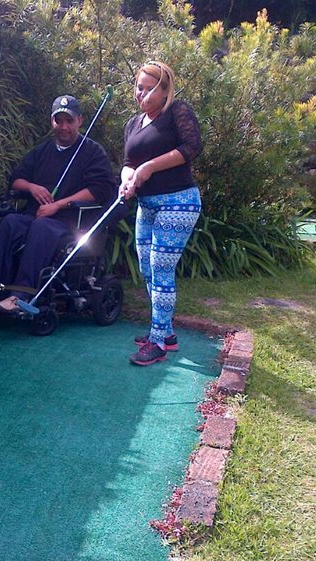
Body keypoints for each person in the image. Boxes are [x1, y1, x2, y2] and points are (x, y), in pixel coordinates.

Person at [0, 95, 116, 313]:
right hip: (36, 215)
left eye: (69, 121)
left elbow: (99, 190)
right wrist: (32, 187)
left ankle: (20, 295)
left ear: (79, 121)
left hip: (69, 222)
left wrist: (58, 205)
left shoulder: (92, 152)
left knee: (41, 227)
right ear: (51, 121)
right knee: (10, 223)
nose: (63, 127)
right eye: (58, 120)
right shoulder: (42, 151)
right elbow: (16, 181)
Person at [119, 61, 203, 366]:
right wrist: (126, 180)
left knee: (162, 266)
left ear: (164, 88)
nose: (141, 93)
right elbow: (128, 162)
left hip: (178, 201)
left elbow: (193, 147)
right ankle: (166, 333)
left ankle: (157, 342)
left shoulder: (177, 112)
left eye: (148, 87)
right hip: (147, 204)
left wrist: (150, 167)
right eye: (138, 86)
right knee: (147, 268)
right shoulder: (133, 123)